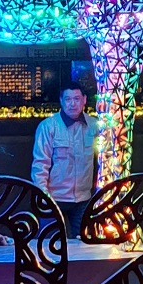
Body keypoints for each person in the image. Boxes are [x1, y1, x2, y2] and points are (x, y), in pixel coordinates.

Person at [31, 83, 97, 238]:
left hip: (83, 199)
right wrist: (44, 197)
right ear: (61, 101)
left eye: (77, 99)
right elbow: (40, 165)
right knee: (51, 244)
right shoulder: (48, 126)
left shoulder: (94, 126)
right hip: (54, 198)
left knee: (84, 244)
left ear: (84, 100)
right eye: (68, 99)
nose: (72, 104)